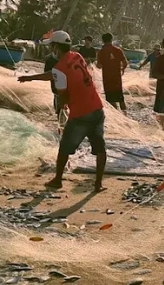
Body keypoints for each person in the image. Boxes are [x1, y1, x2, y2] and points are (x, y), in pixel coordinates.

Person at [20, 31, 107, 192]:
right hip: (97, 108)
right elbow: (54, 75)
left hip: (81, 114)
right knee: (100, 147)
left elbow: (62, 94)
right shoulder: (77, 56)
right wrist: (30, 78)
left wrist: (61, 108)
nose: (50, 49)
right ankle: (98, 184)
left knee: (65, 147)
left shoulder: (59, 67)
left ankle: (58, 180)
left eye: (52, 46)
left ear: (56, 47)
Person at [96, 32, 128, 112]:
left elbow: (99, 66)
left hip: (107, 79)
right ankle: (125, 115)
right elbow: (125, 63)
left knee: (111, 100)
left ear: (103, 40)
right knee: (120, 99)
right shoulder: (118, 50)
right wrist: (122, 69)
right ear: (111, 40)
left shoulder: (101, 52)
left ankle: (117, 116)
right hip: (117, 79)